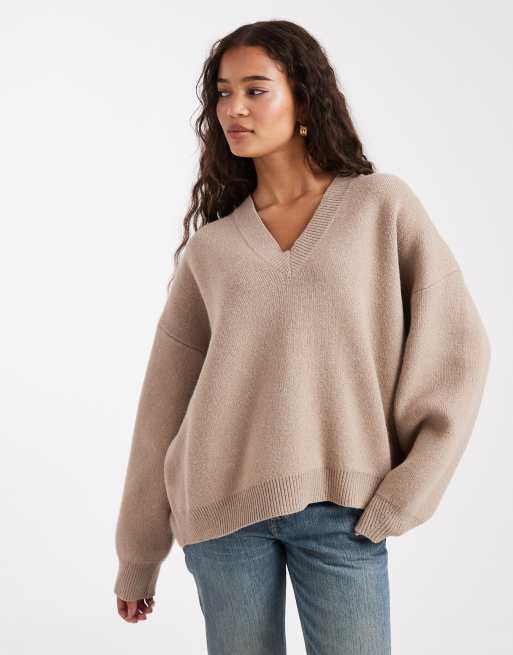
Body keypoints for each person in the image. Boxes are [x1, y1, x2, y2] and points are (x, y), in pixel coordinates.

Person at [113, 19, 491, 655]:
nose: (234, 108)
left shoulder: (381, 207)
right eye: (223, 93)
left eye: (255, 90)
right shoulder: (212, 250)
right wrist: (138, 554)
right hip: (221, 515)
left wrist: (409, 489)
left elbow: (459, 352)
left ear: (304, 99)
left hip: (344, 512)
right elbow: (164, 405)